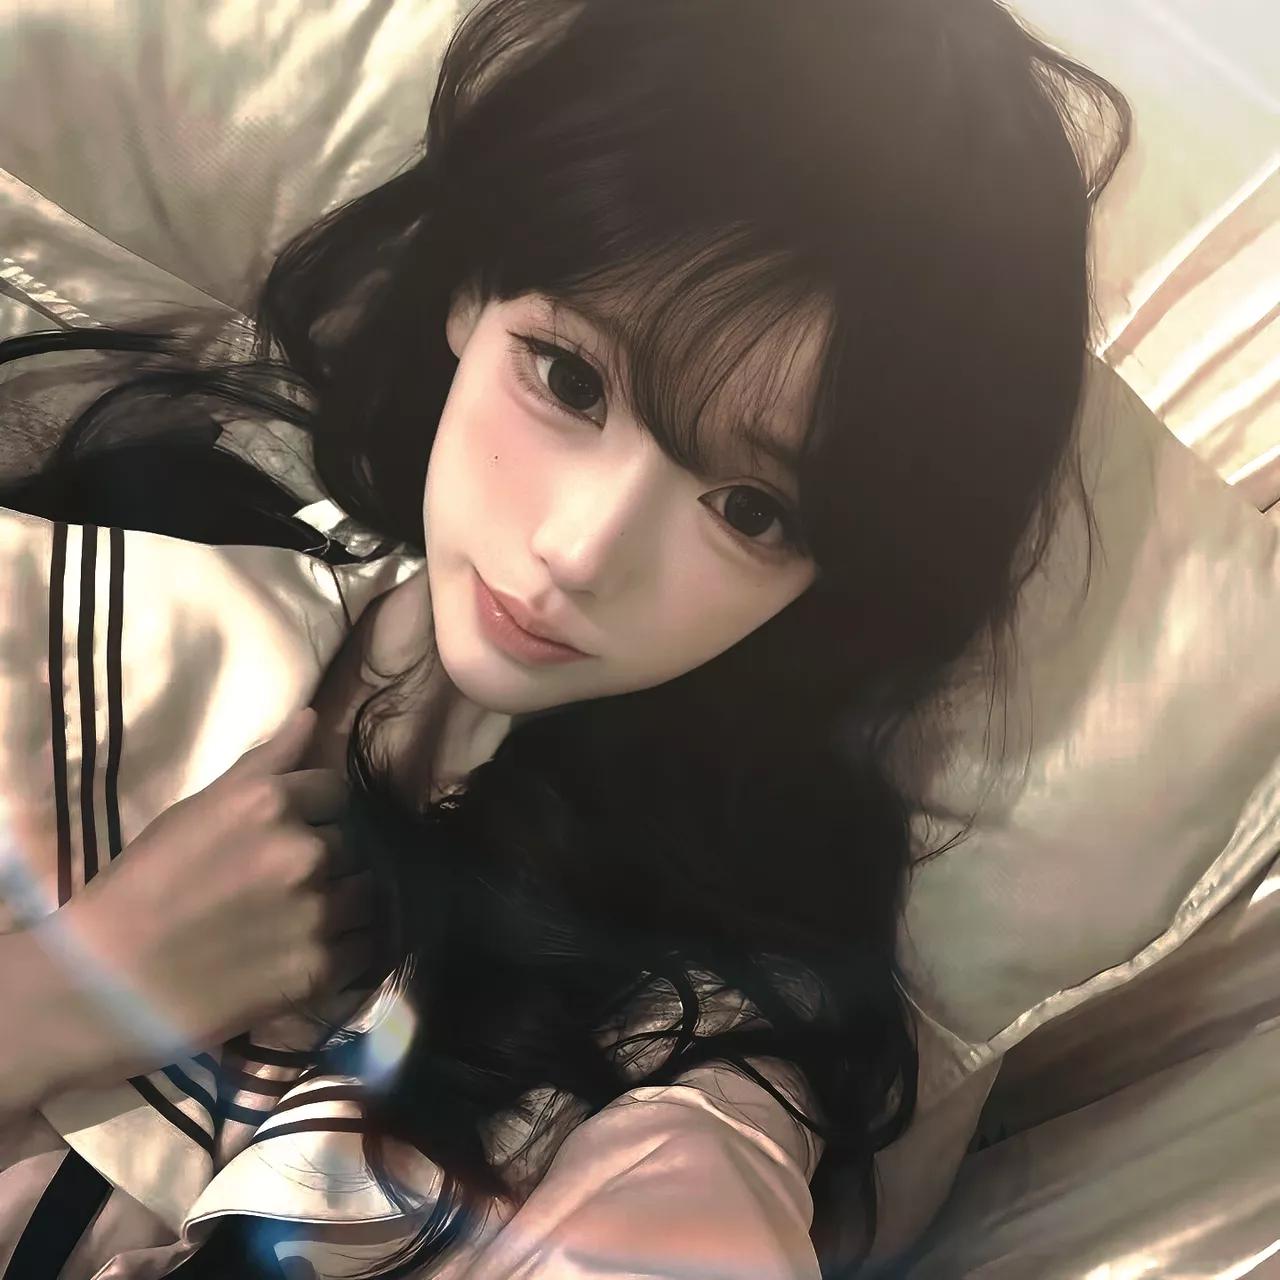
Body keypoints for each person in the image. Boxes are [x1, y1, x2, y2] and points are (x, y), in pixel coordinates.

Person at [0, 0, 1132, 1275]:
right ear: (472, 284)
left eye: (750, 509)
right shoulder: (113, 558)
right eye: (569, 379)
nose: (582, 551)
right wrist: (61, 993)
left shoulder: (694, 1021)